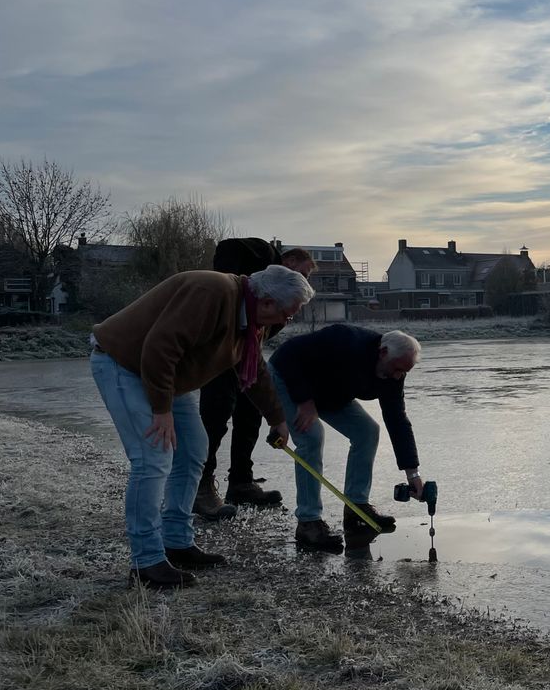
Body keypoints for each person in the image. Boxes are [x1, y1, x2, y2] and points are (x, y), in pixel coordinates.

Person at [90, 265, 315, 589]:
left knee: (194, 450)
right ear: (267, 301)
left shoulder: (252, 321)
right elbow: (160, 346)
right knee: (153, 458)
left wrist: (277, 418)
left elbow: (254, 370)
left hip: (166, 376)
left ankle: (177, 542)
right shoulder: (211, 293)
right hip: (123, 363)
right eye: (288, 313)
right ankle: (146, 562)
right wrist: (161, 410)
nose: (287, 321)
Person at [268, 324, 422, 551]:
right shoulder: (345, 340)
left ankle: (356, 508)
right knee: (311, 437)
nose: (398, 376)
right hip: (289, 377)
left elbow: (397, 419)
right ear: (383, 352)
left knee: (367, 431)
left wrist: (412, 473)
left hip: (331, 392)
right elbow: (290, 355)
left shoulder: (394, 374)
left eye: (404, 372)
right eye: (397, 369)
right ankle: (308, 522)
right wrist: (305, 401)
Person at [194, 239, 317, 518]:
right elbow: (227, 247)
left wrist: (277, 418)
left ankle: (241, 482)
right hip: (220, 350)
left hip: (245, 355)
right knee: (216, 415)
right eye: (304, 272)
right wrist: (231, 292)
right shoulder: (264, 254)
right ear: (290, 261)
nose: (304, 280)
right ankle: (200, 486)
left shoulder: (284, 299)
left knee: (250, 413)